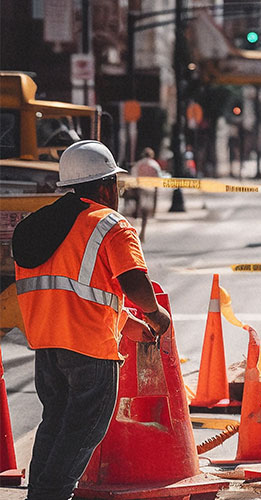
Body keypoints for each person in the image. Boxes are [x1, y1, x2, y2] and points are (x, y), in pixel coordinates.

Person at [12, 140, 172, 500]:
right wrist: (154, 314)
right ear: (104, 187)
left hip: (47, 348)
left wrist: (131, 325)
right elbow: (134, 281)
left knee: (55, 424)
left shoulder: (44, 224)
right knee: (85, 428)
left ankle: (40, 493)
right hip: (89, 352)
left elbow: (79, 292)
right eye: (115, 184)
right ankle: (52, 495)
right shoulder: (110, 225)